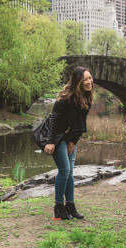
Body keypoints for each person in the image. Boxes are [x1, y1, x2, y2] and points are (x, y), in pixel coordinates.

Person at [44, 66, 94, 220]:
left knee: (70, 173)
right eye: (85, 79)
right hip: (57, 138)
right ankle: (58, 206)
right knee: (65, 170)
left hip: (70, 138)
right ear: (77, 81)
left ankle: (70, 205)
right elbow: (52, 120)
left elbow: (80, 124)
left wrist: (73, 141)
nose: (89, 81)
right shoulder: (65, 98)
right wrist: (50, 142)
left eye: (90, 78)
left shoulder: (86, 97)